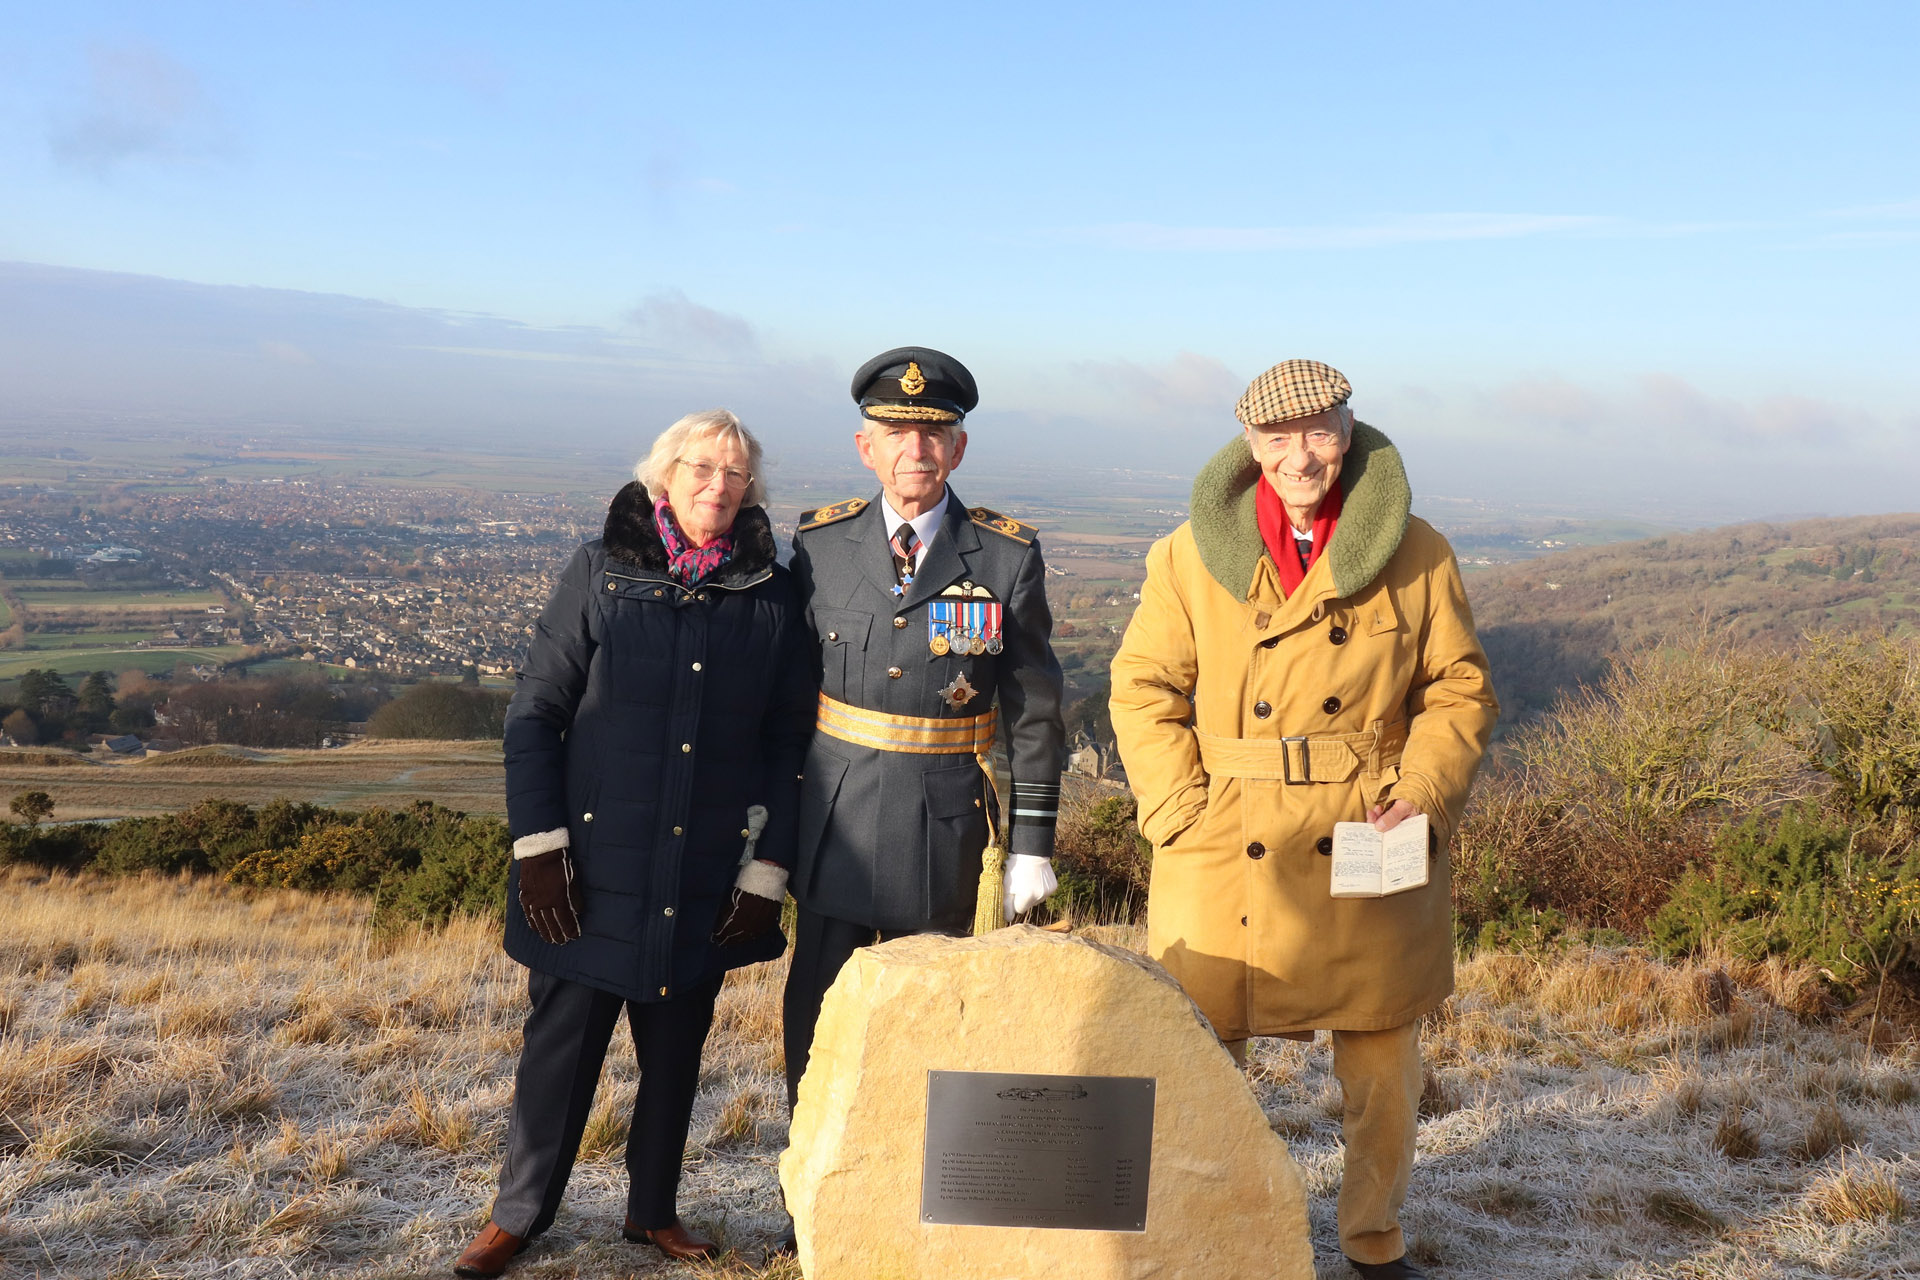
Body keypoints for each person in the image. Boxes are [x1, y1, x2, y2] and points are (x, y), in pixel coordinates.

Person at [1109, 360, 1497, 1280]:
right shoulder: (1184, 554)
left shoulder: (1421, 551)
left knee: (1384, 1070)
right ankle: (1200, 1235)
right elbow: (1143, 687)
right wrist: (1174, 808)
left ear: (1349, 430)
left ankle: (1373, 1243)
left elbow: (1459, 690)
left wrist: (1424, 791)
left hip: (1372, 822)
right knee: (1198, 1056)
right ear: (1249, 447)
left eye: (1319, 432)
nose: (1300, 455)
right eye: (1277, 438)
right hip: (1221, 832)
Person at [453, 409, 815, 1278]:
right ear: (664, 477)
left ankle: (652, 1211)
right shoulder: (601, 571)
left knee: (676, 1052)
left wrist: (766, 870)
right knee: (559, 1052)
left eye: (734, 474)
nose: (716, 486)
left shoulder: (770, 594)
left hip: (704, 871)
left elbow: (785, 742)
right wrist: (539, 848)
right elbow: (535, 715)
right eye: (700, 468)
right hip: (589, 870)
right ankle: (518, 1217)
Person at [780, 347, 1068, 1113]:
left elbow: (1035, 709)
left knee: (938, 1021)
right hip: (833, 822)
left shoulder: (1006, 557)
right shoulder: (819, 547)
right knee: (818, 1020)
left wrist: (1033, 843)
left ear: (959, 448)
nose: (917, 448)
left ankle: (916, 1204)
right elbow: (781, 696)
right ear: (864, 445)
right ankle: (810, 1202)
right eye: (896, 429)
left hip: (947, 831)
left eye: (935, 432)